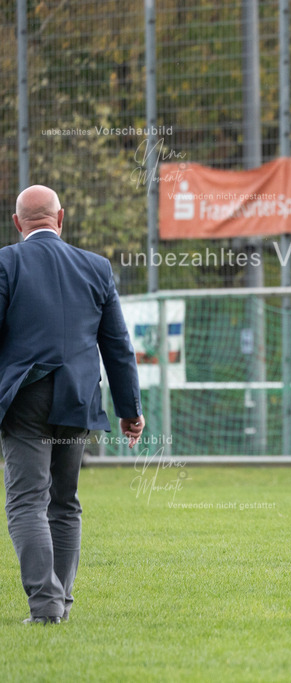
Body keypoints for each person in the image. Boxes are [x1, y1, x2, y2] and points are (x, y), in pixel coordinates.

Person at [1, 185, 144, 624]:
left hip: (25, 399)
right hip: (78, 398)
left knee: (27, 502)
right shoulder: (96, 267)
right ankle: (59, 603)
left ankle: (46, 606)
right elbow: (117, 345)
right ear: (60, 218)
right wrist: (130, 409)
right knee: (64, 503)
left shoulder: (6, 262)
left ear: (17, 223)